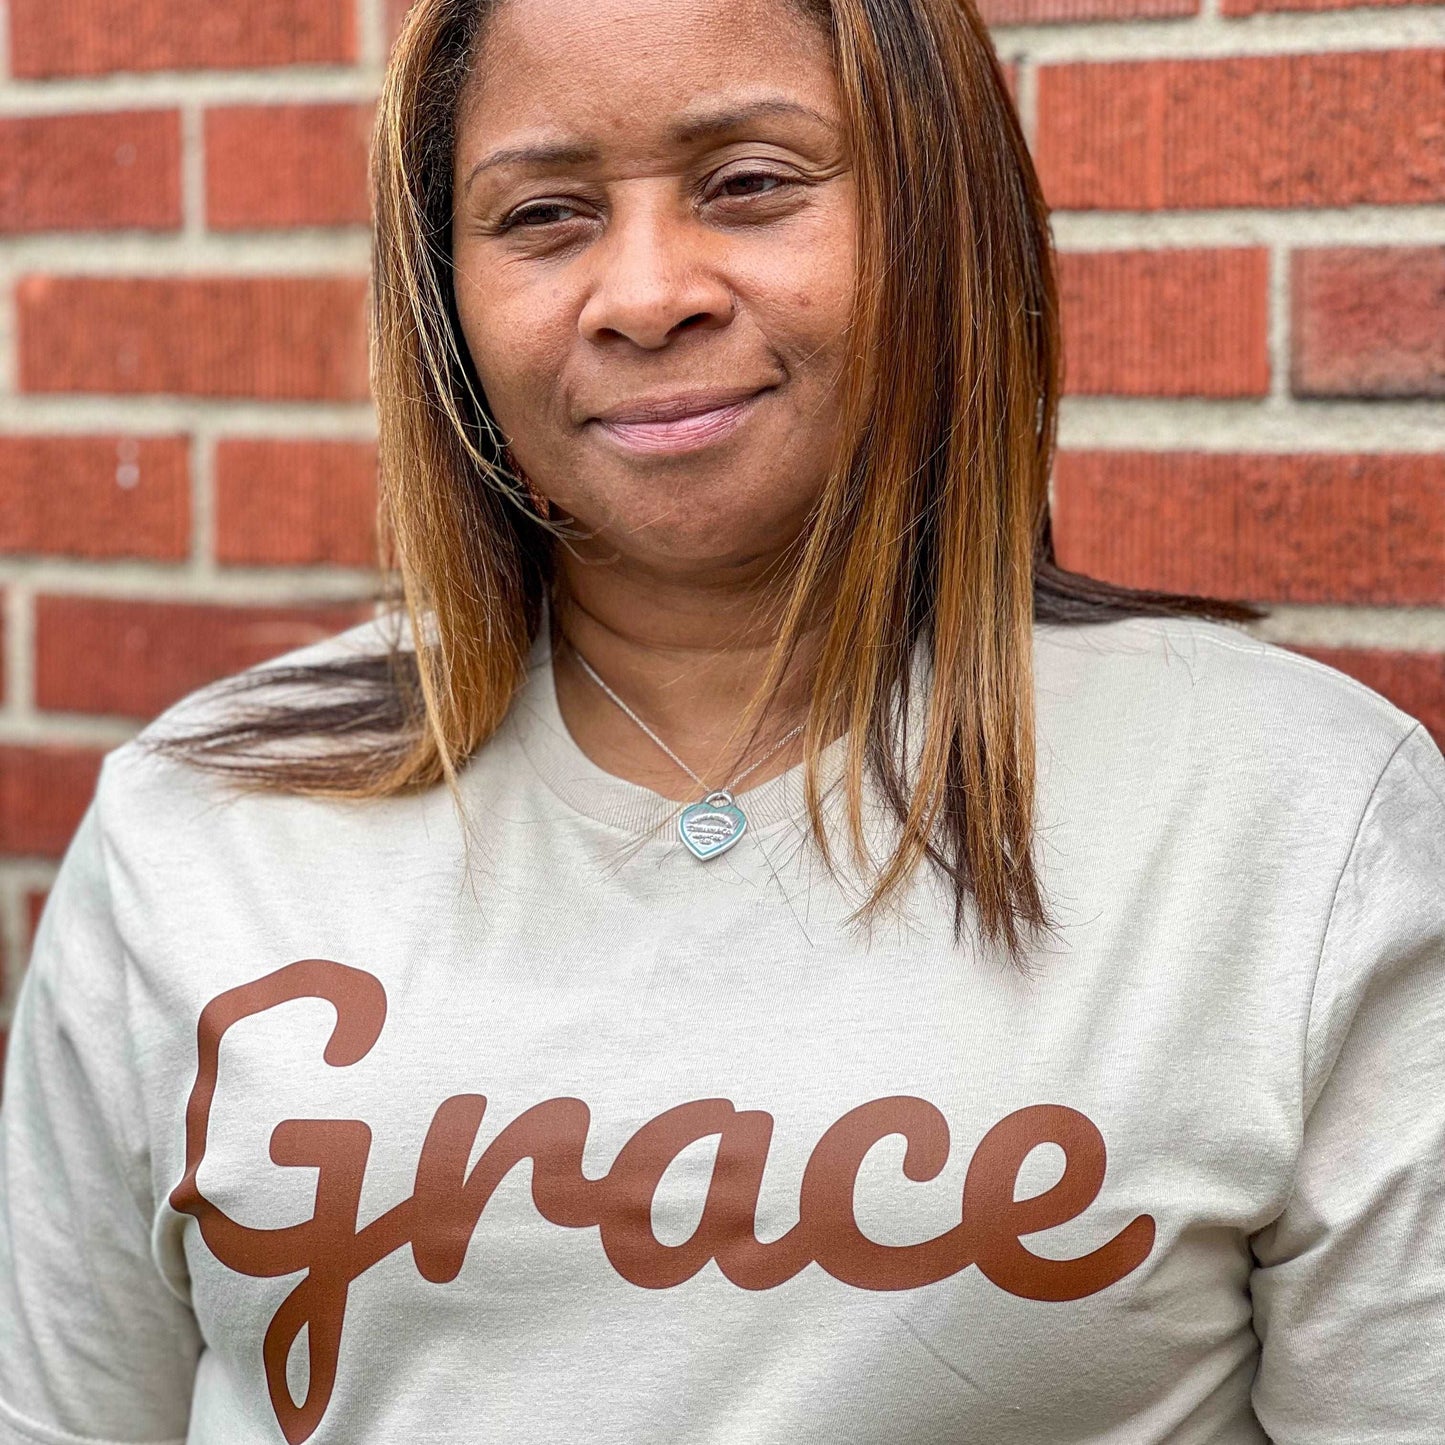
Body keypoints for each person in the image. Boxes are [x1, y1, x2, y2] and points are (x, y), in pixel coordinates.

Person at [2, 0, 1442, 1440]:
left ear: (945, 219)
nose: (642, 292)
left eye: (748, 183)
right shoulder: (198, 828)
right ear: (446, 300)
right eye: (544, 213)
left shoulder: (1294, 818)